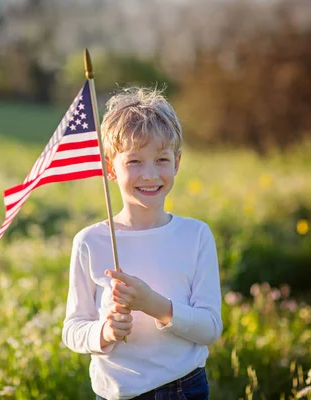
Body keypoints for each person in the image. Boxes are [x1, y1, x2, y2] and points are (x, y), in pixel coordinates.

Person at [61, 87, 223, 400]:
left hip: (183, 388)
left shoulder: (196, 236)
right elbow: (73, 329)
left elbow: (210, 328)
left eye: (161, 159)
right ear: (110, 167)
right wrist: (105, 332)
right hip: (117, 392)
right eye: (134, 161)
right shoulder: (90, 242)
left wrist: (152, 304)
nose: (149, 175)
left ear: (176, 163)